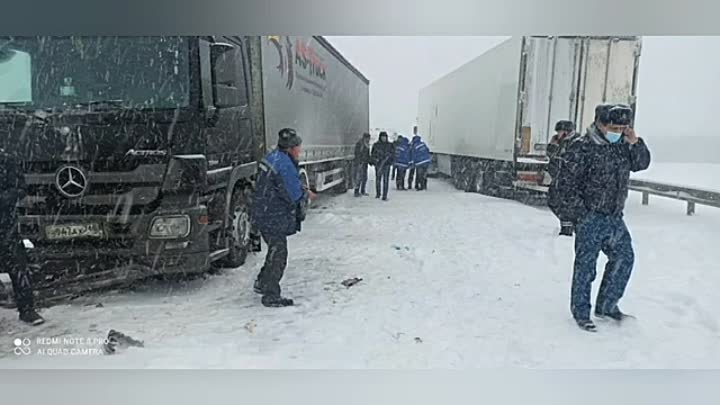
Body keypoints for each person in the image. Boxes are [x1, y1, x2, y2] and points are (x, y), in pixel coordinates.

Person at [548, 104, 651, 332]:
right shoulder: (581, 148)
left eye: (623, 127)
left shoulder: (623, 146)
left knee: (625, 258)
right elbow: (565, 186)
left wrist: (635, 142)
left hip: (614, 217)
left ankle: (606, 306)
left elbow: (641, 163)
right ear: (600, 124)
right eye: (613, 127)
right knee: (586, 267)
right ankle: (581, 312)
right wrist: (580, 216)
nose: (618, 131)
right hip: (590, 217)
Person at [251, 128, 315, 307]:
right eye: (298, 147)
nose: (299, 151)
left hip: (263, 212)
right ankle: (271, 294)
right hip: (272, 215)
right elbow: (292, 194)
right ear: (290, 148)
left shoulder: (273, 157)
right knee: (279, 253)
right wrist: (305, 195)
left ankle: (262, 282)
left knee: (274, 249)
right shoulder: (285, 164)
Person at [0, 146, 45, 325]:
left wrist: (3, 199)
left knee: (18, 267)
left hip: (5, 225)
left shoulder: (5, 160)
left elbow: (19, 188)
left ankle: (27, 310)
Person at [546, 120, 578, 236]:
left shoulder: (575, 143)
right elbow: (551, 155)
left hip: (569, 180)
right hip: (558, 179)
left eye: (560, 132)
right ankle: (568, 224)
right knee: (552, 201)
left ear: (566, 132)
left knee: (566, 204)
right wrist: (553, 145)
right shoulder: (560, 142)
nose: (557, 134)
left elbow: (571, 161)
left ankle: (567, 228)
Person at [370, 131, 395, 201]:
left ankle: (384, 195)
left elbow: (393, 154)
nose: (384, 138)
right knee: (378, 179)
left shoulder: (390, 145)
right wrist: (375, 160)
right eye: (382, 137)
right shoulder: (376, 145)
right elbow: (373, 154)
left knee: (386, 180)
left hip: (386, 164)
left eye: (385, 137)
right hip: (378, 164)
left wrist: (390, 161)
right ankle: (378, 194)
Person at [353, 133, 371, 197]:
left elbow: (367, 155)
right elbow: (357, 154)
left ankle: (363, 190)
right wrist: (359, 161)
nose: (368, 139)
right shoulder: (360, 144)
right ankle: (356, 191)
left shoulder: (366, 144)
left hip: (364, 163)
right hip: (360, 163)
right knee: (358, 178)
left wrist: (369, 161)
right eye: (367, 138)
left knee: (364, 178)